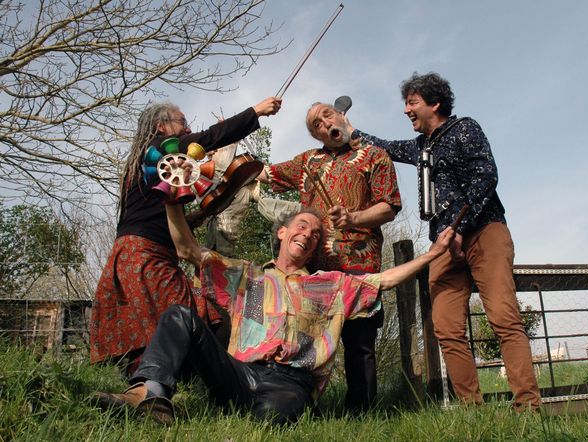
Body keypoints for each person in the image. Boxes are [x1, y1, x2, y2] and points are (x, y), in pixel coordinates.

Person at [93, 206, 454, 425]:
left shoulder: (331, 285)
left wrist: (433, 253)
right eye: (301, 226)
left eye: (315, 234)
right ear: (282, 232)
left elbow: (385, 279)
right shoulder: (246, 276)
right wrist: (172, 201)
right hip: (238, 372)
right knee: (178, 316)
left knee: (274, 418)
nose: (308, 235)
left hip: (290, 384)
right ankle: (150, 394)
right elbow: (187, 248)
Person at [350, 72, 541, 411]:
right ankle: (471, 409)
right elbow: (386, 147)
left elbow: (486, 175)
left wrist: (460, 226)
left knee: (503, 317)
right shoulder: (422, 146)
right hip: (443, 244)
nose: (406, 110)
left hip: (483, 231)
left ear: (434, 103)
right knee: (446, 326)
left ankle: (528, 406)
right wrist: (349, 131)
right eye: (406, 103)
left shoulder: (464, 128)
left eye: (412, 102)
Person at [89, 96, 282, 374]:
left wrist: (202, 214)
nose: (189, 129)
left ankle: (158, 383)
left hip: (133, 255)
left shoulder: (146, 165)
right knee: (190, 315)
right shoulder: (159, 151)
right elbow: (209, 138)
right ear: (161, 127)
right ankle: (177, 385)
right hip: (146, 256)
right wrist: (256, 112)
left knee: (160, 322)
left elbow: (159, 221)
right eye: (182, 122)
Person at [256, 101, 402, 412]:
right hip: (314, 270)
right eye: (315, 124)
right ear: (315, 135)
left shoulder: (374, 155)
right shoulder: (308, 162)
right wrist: (228, 153)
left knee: (359, 343)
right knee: (305, 339)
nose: (323, 123)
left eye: (326, 115)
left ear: (340, 115)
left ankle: (361, 414)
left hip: (359, 264)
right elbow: (266, 173)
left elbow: (389, 206)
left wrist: (353, 218)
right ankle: (300, 406)